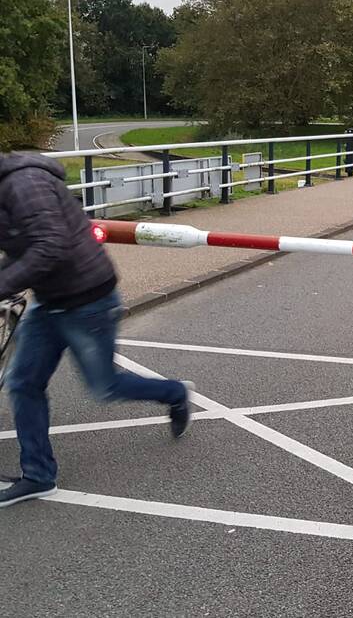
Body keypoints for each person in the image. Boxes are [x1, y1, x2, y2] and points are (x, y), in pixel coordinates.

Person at [0, 151, 193, 509]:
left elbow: (50, 246)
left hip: (88, 300)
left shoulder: (25, 184)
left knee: (104, 387)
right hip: (51, 299)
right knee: (24, 383)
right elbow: (28, 247)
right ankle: (38, 476)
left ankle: (175, 393)